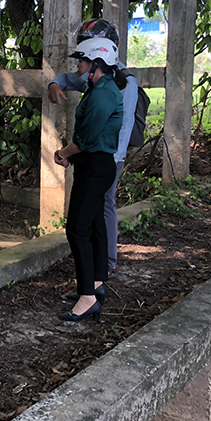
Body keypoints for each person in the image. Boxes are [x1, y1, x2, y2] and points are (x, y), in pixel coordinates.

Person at [47, 18, 138, 278]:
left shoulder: (121, 84)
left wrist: (68, 153)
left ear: (98, 55)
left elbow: (116, 128)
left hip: (107, 155)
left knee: (102, 205)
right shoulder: (95, 77)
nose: (79, 64)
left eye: (84, 55)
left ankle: (107, 263)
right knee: (95, 210)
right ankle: (98, 270)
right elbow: (67, 78)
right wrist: (54, 85)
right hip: (90, 155)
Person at [53, 37, 123, 322]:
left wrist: (63, 153)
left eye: (81, 61)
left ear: (96, 63)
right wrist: (74, 154)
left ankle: (87, 298)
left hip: (95, 166)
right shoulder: (99, 88)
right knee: (94, 226)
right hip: (93, 164)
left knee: (77, 230)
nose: (78, 67)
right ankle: (95, 283)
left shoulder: (104, 93)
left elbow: (87, 138)